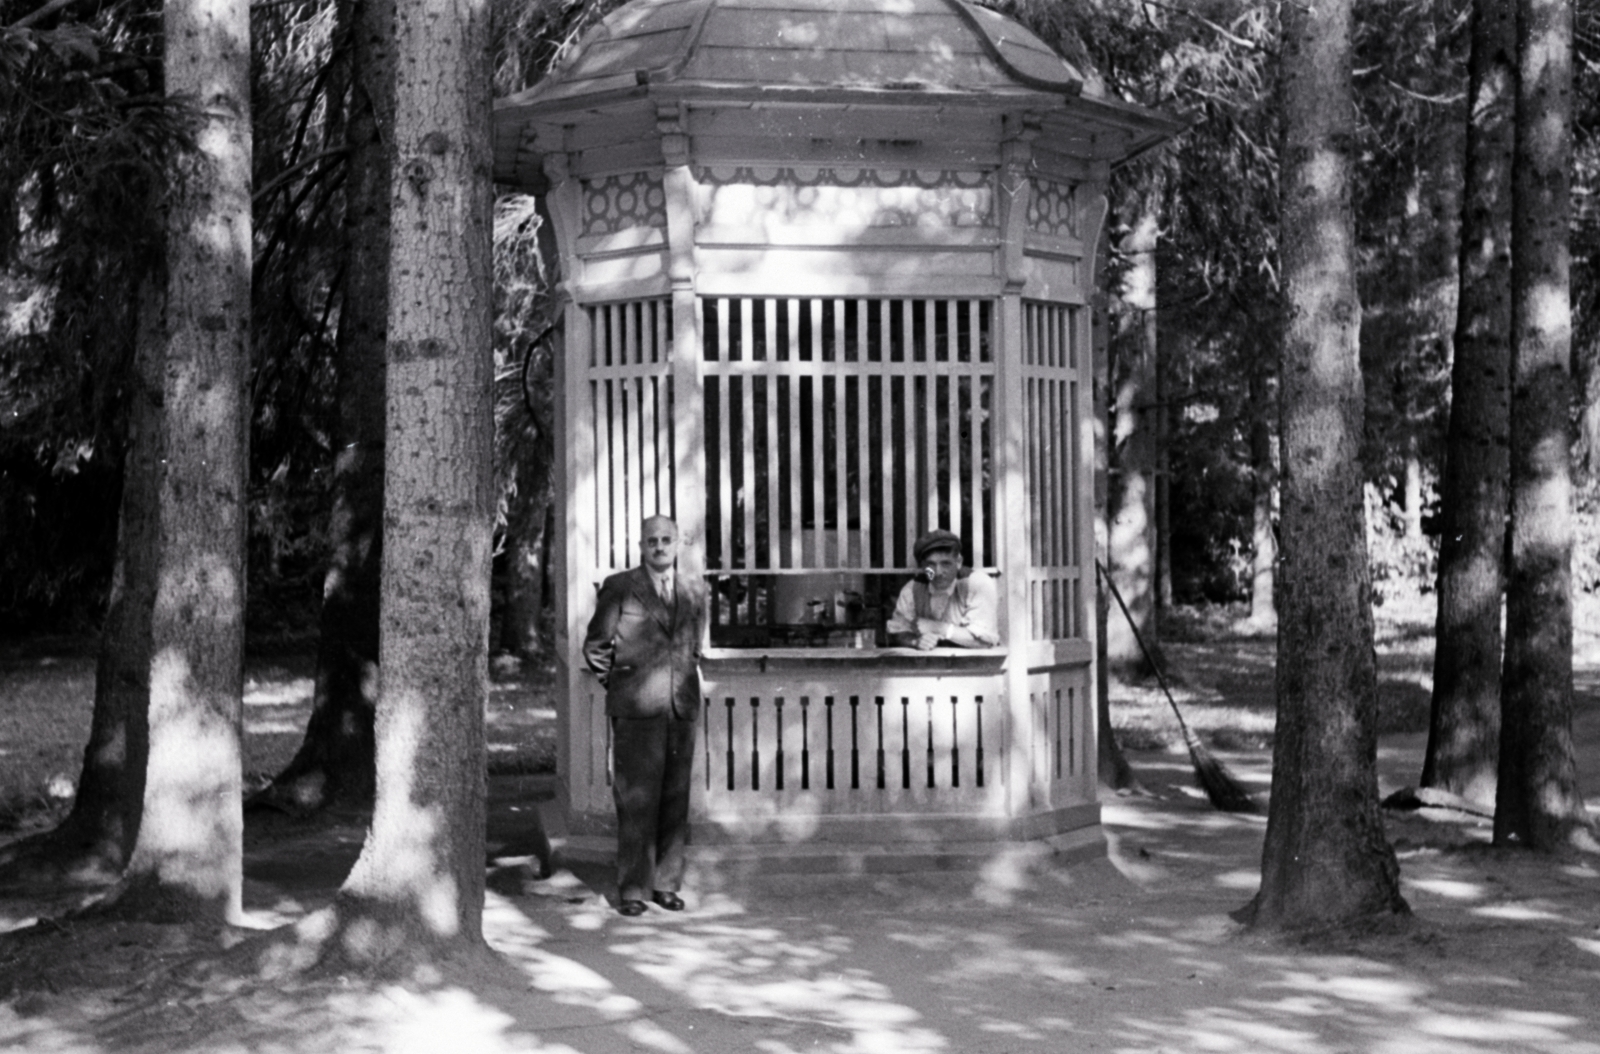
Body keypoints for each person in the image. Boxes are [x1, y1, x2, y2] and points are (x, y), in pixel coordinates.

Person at [582, 514, 708, 916]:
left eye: (666, 540)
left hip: (680, 707)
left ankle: (666, 885)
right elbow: (596, 647)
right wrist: (624, 686)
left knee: (674, 799)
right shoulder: (621, 587)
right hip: (636, 711)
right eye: (651, 540)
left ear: (677, 544)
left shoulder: (693, 589)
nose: (658, 547)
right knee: (637, 801)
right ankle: (634, 890)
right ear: (641, 545)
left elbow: (692, 645)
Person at [886, 529, 1000, 650]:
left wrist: (937, 627)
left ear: (959, 562)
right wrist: (916, 641)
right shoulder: (912, 588)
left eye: (946, 564)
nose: (938, 572)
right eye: (931, 564)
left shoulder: (977, 584)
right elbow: (896, 632)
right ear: (923, 566)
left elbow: (983, 642)